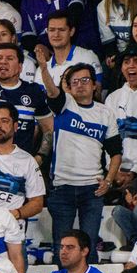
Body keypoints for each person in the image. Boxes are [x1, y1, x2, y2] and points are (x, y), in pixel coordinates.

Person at [38, 59, 121, 257]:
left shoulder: (106, 114)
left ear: (94, 85)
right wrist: (42, 67)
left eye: (84, 80)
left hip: (92, 190)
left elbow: (116, 153)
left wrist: (108, 181)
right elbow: (51, 91)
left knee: (89, 244)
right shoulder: (64, 105)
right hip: (62, 188)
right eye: (74, 81)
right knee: (63, 246)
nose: (80, 85)